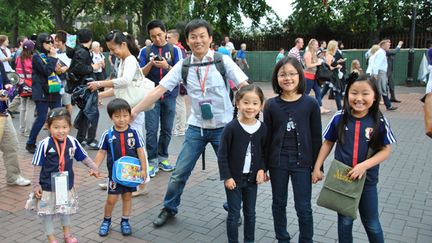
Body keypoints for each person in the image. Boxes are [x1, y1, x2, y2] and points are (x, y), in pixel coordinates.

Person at [131, 19, 249, 227]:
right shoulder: (183, 65)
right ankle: (169, 207)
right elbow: (159, 90)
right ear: (186, 41)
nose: (198, 40)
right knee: (179, 173)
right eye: (193, 37)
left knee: (232, 171)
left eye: (202, 36)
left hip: (224, 128)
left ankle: (233, 208)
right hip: (196, 128)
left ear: (210, 38)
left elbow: (243, 86)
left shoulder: (222, 61)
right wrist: (135, 110)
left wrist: (254, 113)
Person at [312, 73, 396, 243]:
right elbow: (328, 143)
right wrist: (317, 167)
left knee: (372, 224)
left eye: (365, 93)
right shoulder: (339, 117)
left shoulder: (379, 120)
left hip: (368, 182)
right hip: (343, 180)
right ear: (347, 93)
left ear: (374, 96)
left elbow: (386, 150)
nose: (359, 98)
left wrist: (364, 166)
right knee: (344, 222)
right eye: (354, 92)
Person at [264, 56, 322, 243]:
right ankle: (282, 238)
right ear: (276, 78)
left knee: (303, 207)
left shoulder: (311, 104)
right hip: (278, 163)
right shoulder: (271, 105)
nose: (287, 78)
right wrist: (262, 166)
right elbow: (266, 138)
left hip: (302, 164)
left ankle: (306, 239)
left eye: (291, 74)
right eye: (282, 75)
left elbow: (316, 138)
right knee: (278, 204)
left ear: (300, 76)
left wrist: (317, 167)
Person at [30, 107, 100, 243]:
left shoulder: (73, 142)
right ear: (48, 127)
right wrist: (36, 185)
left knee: (65, 211)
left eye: (64, 127)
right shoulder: (44, 144)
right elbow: (37, 166)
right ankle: (51, 239)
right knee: (47, 215)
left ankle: (67, 235)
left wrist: (94, 168)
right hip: (47, 187)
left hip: (65, 186)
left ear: (69, 127)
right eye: (56, 127)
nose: (61, 131)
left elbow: (83, 157)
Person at [217, 85, 267, 243]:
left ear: (260, 105)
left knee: (250, 214)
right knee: (234, 213)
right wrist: (227, 177)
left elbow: (265, 153)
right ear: (237, 103)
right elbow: (222, 154)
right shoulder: (231, 128)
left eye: (255, 103)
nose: (250, 107)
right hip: (234, 180)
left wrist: (262, 169)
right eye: (246, 102)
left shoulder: (263, 128)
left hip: (252, 181)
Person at [93, 98, 147, 237]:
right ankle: (106, 221)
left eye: (125, 115)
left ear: (130, 115)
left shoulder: (134, 133)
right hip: (114, 175)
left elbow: (141, 151)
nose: (121, 119)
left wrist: (144, 169)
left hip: (131, 173)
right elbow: (101, 152)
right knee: (111, 199)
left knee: (127, 197)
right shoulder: (108, 134)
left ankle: (125, 221)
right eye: (117, 116)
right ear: (111, 117)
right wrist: (95, 167)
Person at [138, 20, 183, 177]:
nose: (157, 39)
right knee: (151, 129)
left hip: (170, 95)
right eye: (153, 36)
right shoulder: (145, 50)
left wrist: (166, 67)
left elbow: (181, 74)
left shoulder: (175, 50)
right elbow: (140, 74)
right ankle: (152, 160)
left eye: (159, 35)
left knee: (167, 129)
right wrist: (151, 64)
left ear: (165, 33)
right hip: (151, 96)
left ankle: (163, 157)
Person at [25, 33, 62, 153]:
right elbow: (46, 71)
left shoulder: (52, 56)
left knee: (57, 116)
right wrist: (53, 58)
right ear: (41, 44)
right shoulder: (36, 57)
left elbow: (58, 71)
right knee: (41, 118)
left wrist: (61, 69)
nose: (51, 45)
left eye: (51, 42)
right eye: (48, 42)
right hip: (41, 91)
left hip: (54, 90)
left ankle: (55, 141)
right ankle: (30, 143)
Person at [67, 28, 102, 149]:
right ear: (90, 39)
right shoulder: (82, 52)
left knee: (86, 112)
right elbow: (79, 68)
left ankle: (81, 138)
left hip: (81, 86)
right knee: (92, 113)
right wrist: (93, 67)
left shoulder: (79, 50)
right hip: (85, 86)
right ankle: (90, 140)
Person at [0, 61, 31, 186]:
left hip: (3, 114)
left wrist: (7, 87)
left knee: (11, 145)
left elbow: (6, 80)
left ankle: (13, 176)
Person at [167, 29, 188, 137]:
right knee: (179, 104)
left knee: (179, 104)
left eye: (169, 37)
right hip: (178, 81)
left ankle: (181, 128)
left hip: (179, 81)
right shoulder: (178, 49)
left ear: (176, 38)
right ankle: (181, 126)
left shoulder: (179, 49)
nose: (166, 39)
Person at [367, 39, 398, 111]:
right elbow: (377, 64)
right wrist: (375, 74)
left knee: (382, 89)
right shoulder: (381, 53)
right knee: (380, 90)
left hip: (381, 72)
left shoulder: (381, 52)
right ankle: (377, 106)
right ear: (383, 45)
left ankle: (388, 105)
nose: (389, 45)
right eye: (388, 44)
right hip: (380, 73)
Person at [303, 38, 330, 114]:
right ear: (312, 45)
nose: (317, 46)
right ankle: (300, 106)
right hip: (308, 77)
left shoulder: (314, 54)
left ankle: (320, 108)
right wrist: (317, 63)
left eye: (318, 45)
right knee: (305, 93)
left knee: (318, 92)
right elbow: (308, 65)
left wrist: (319, 61)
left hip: (314, 77)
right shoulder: (308, 53)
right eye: (316, 45)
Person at [15, 40, 36, 137]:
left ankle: (21, 129)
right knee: (30, 107)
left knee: (22, 107)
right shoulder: (32, 59)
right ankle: (28, 130)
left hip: (21, 85)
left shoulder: (18, 58)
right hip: (30, 85)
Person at [54, 30, 73, 115]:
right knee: (56, 103)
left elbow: (74, 65)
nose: (56, 43)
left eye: (58, 41)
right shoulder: (55, 52)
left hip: (66, 79)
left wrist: (67, 67)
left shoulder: (70, 52)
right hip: (56, 79)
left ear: (63, 42)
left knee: (67, 103)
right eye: (55, 41)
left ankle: (68, 122)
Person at [321, 40, 344, 111]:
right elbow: (328, 67)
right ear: (333, 47)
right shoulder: (329, 56)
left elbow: (331, 64)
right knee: (336, 91)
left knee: (324, 92)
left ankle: (316, 103)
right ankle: (340, 109)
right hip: (332, 77)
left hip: (332, 77)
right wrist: (337, 66)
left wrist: (337, 62)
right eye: (336, 46)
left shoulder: (330, 55)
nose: (337, 47)